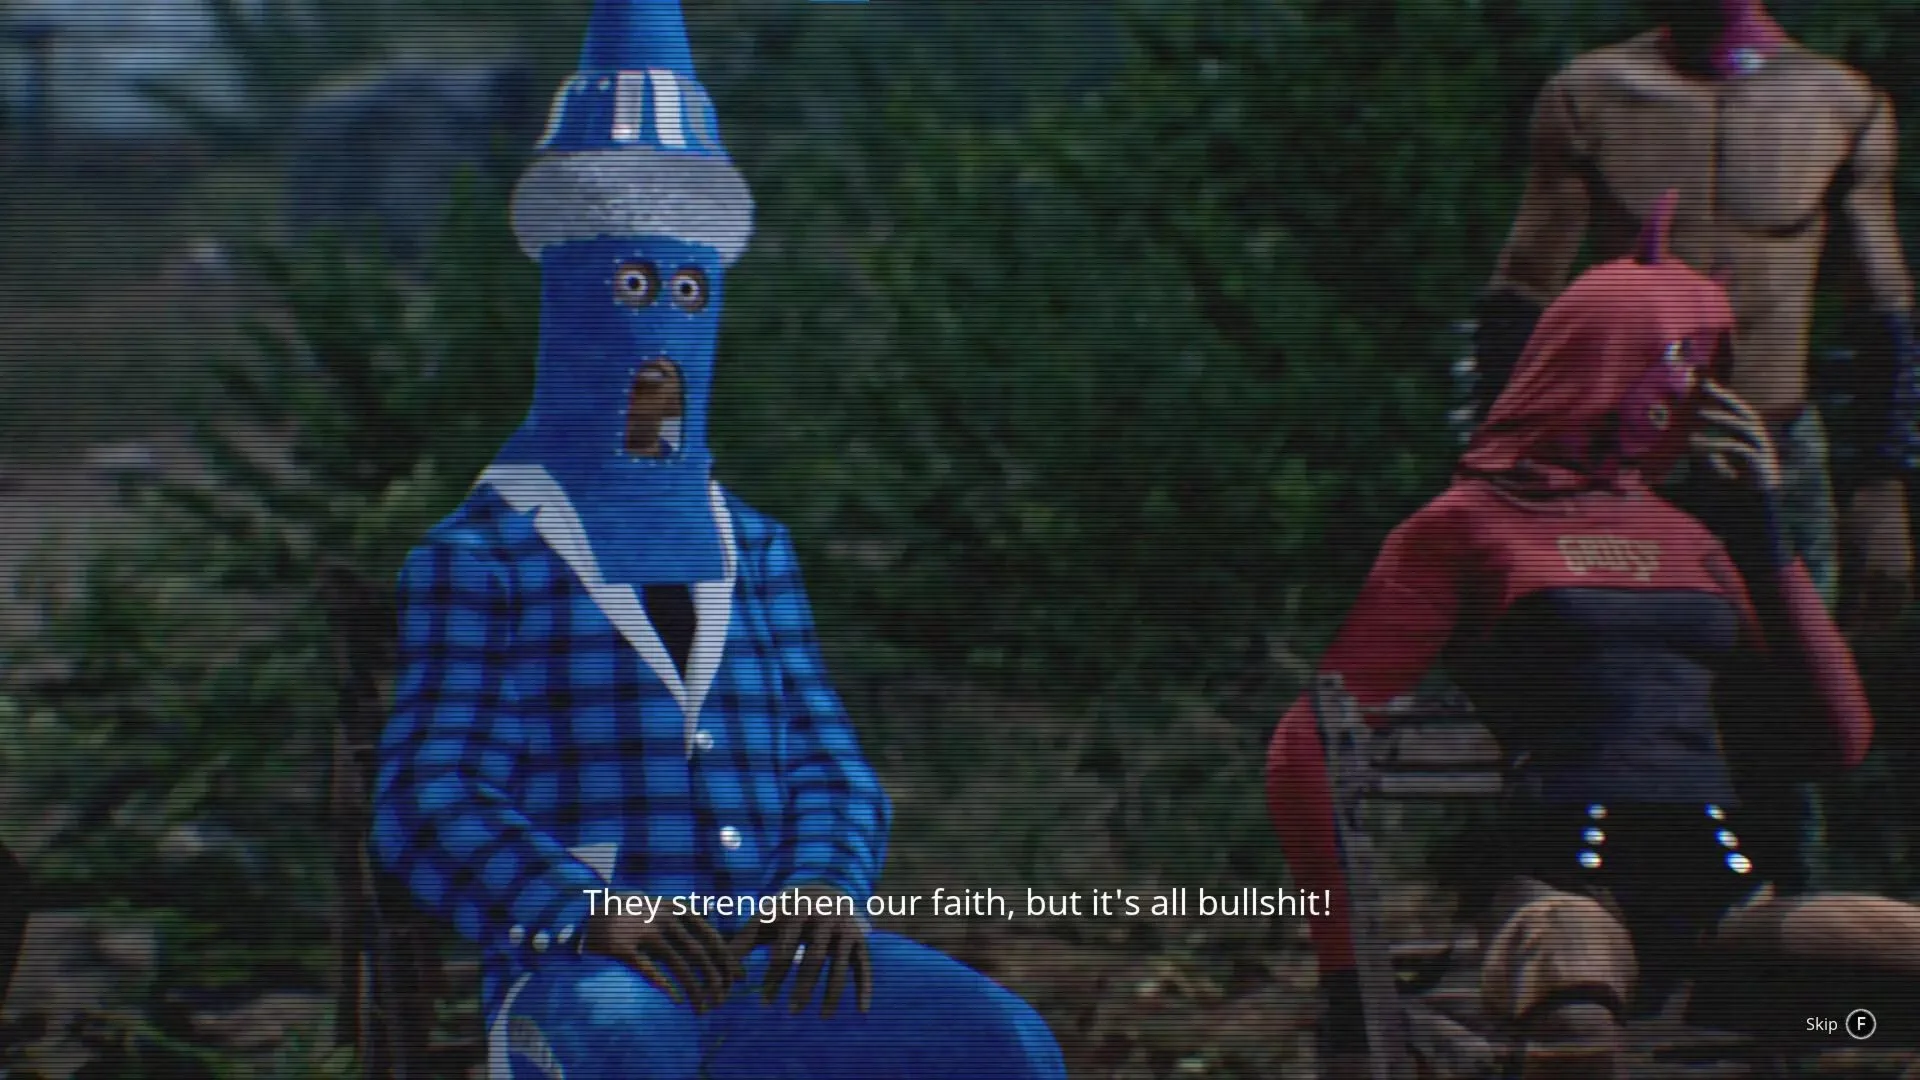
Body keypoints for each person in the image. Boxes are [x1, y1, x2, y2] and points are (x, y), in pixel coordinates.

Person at [370, 4, 1067, 1078]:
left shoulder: (757, 549)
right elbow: (430, 798)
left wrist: (824, 885)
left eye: (686, 291)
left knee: (1001, 1043)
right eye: (631, 288)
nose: (658, 332)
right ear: (570, 304)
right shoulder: (484, 558)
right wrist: (587, 909)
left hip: (769, 960)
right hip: (587, 972)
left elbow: (828, 761)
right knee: (627, 1047)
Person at [1271, 198, 1920, 1079]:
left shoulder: (1696, 539)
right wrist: (1347, 974)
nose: (1702, 397)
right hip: (1561, 894)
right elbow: (1306, 746)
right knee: (1573, 1004)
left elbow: (1834, 742)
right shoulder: (1465, 526)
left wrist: (1767, 538)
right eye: (1688, 367)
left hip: (1726, 907)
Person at [1461, 0, 1920, 896]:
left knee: (1789, 717)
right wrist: (1502, 479)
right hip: (1619, 466)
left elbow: (1883, 307)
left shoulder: (1841, 102)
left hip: (1777, 451)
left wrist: (1883, 486)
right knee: (1603, 712)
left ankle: (1780, 938)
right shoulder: (1592, 96)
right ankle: (1596, 929)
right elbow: (1520, 294)